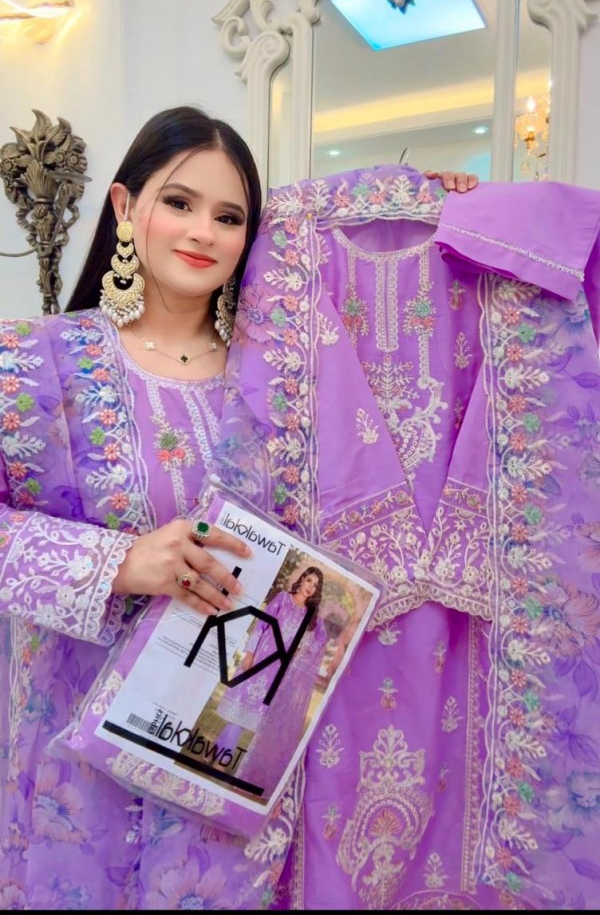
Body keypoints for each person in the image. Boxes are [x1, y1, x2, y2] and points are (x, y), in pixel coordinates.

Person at [0, 101, 478, 910]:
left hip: (231, 768)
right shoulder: (35, 363)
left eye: (229, 217)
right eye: (180, 202)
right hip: (78, 780)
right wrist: (121, 562)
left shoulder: (286, 376)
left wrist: (421, 202)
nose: (203, 232)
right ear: (125, 206)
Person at [215, 564, 329, 796]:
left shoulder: (313, 618)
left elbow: (321, 641)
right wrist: (249, 653)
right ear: (302, 579)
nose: (310, 587)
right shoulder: (283, 599)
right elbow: (261, 624)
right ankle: (220, 762)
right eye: (309, 581)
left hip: (282, 674)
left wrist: (304, 650)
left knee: (264, 724)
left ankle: (245, 773)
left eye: (315, 585)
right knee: (239, 713)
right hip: (260, 661)